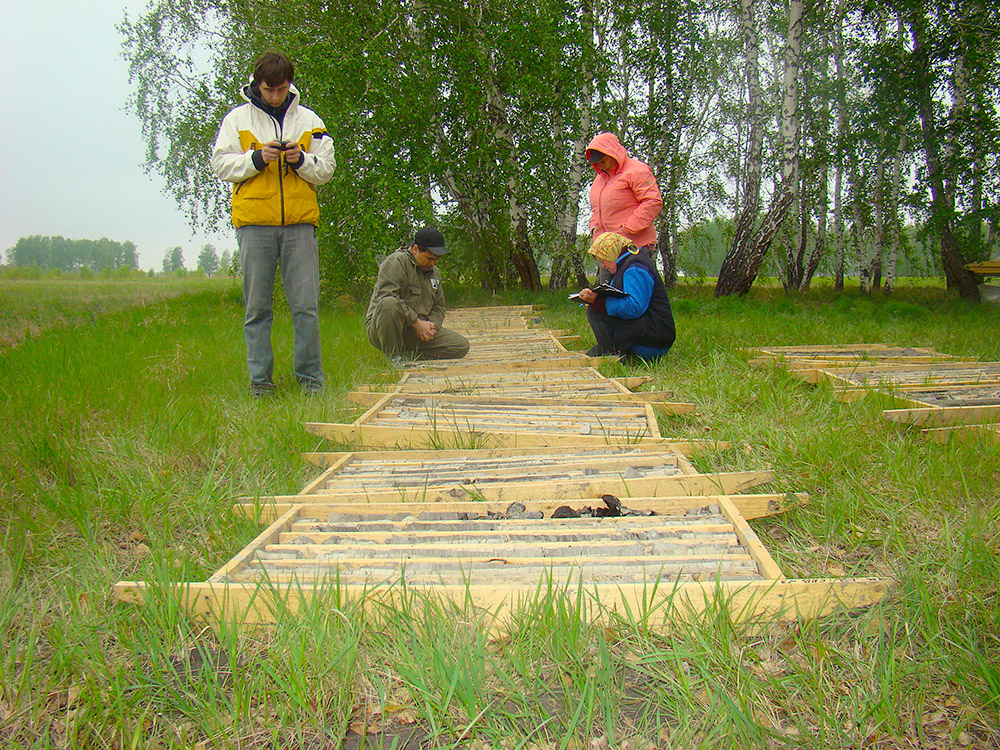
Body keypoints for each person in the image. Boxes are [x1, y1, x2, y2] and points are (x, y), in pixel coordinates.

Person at [211, 51, 336, 396]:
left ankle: (311, 382)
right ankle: (260, 384)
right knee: (257, 309)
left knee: (306, 307)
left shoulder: (309, 120)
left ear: (289, 84)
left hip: (300, 225)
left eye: (281, 89)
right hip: (254, 224)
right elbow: (220, 164)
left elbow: (326, 169)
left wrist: (301, 160)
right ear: (257, 84)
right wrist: (256, 158)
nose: (276, 96)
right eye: (269, 89)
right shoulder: (237, 119)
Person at [365, 227, 470, 365]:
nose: (433, 263)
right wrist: (416, 322)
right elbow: (386, 298)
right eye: (430, 258)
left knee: (460, 346)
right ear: (415, 249)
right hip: (385, 328)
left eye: (436, 259)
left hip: (417, 331)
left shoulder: (435, 273)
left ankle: (408, 355)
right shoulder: (396, 262)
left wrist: (430, 328)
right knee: (388, 303)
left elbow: (439, 308)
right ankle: (393, 358)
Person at [577, 232, 675, 362]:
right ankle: (611, 349)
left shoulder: (636, 268)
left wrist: (598, 302)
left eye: (603, 260)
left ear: (612, 254)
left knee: (597, 311)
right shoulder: (624, 266)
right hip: (648, 332)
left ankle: (610, 350)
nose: (603, 266)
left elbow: (634, 307)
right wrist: (594, 300)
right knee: (595, 308)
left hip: (655, 340)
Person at [585, 132, 663, 260]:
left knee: (634, 274)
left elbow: (652, 202)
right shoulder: (599, 180)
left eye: (603, 161)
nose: (600, 166)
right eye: (597, 163)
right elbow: (596, 210)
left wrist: (626, 229)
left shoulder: (637, 170)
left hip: (635, 247)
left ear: (612, 154)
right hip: (608, 249)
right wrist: (595, 229)